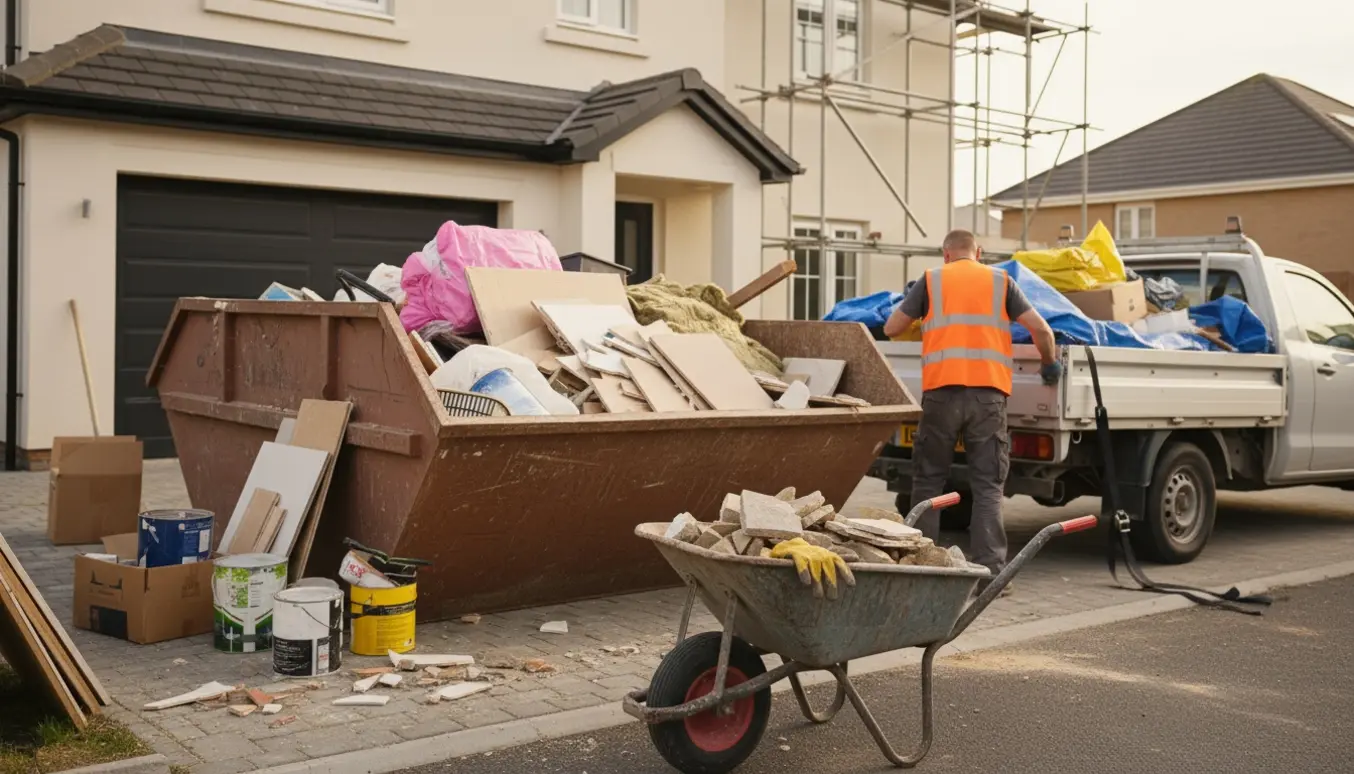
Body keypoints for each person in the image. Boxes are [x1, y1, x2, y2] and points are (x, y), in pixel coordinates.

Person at [883, 230, 1060, 592]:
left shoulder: (931, 280)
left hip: (941, 395)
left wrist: (920, 314)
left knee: (928, 481)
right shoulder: (1001, 281)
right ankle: (991, 576)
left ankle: (923, 571)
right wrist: (1049, 365)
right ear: (978, 253)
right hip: (988, 398)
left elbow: (892, 328)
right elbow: (1042, 331)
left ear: (946, 254)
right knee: (988, 486)